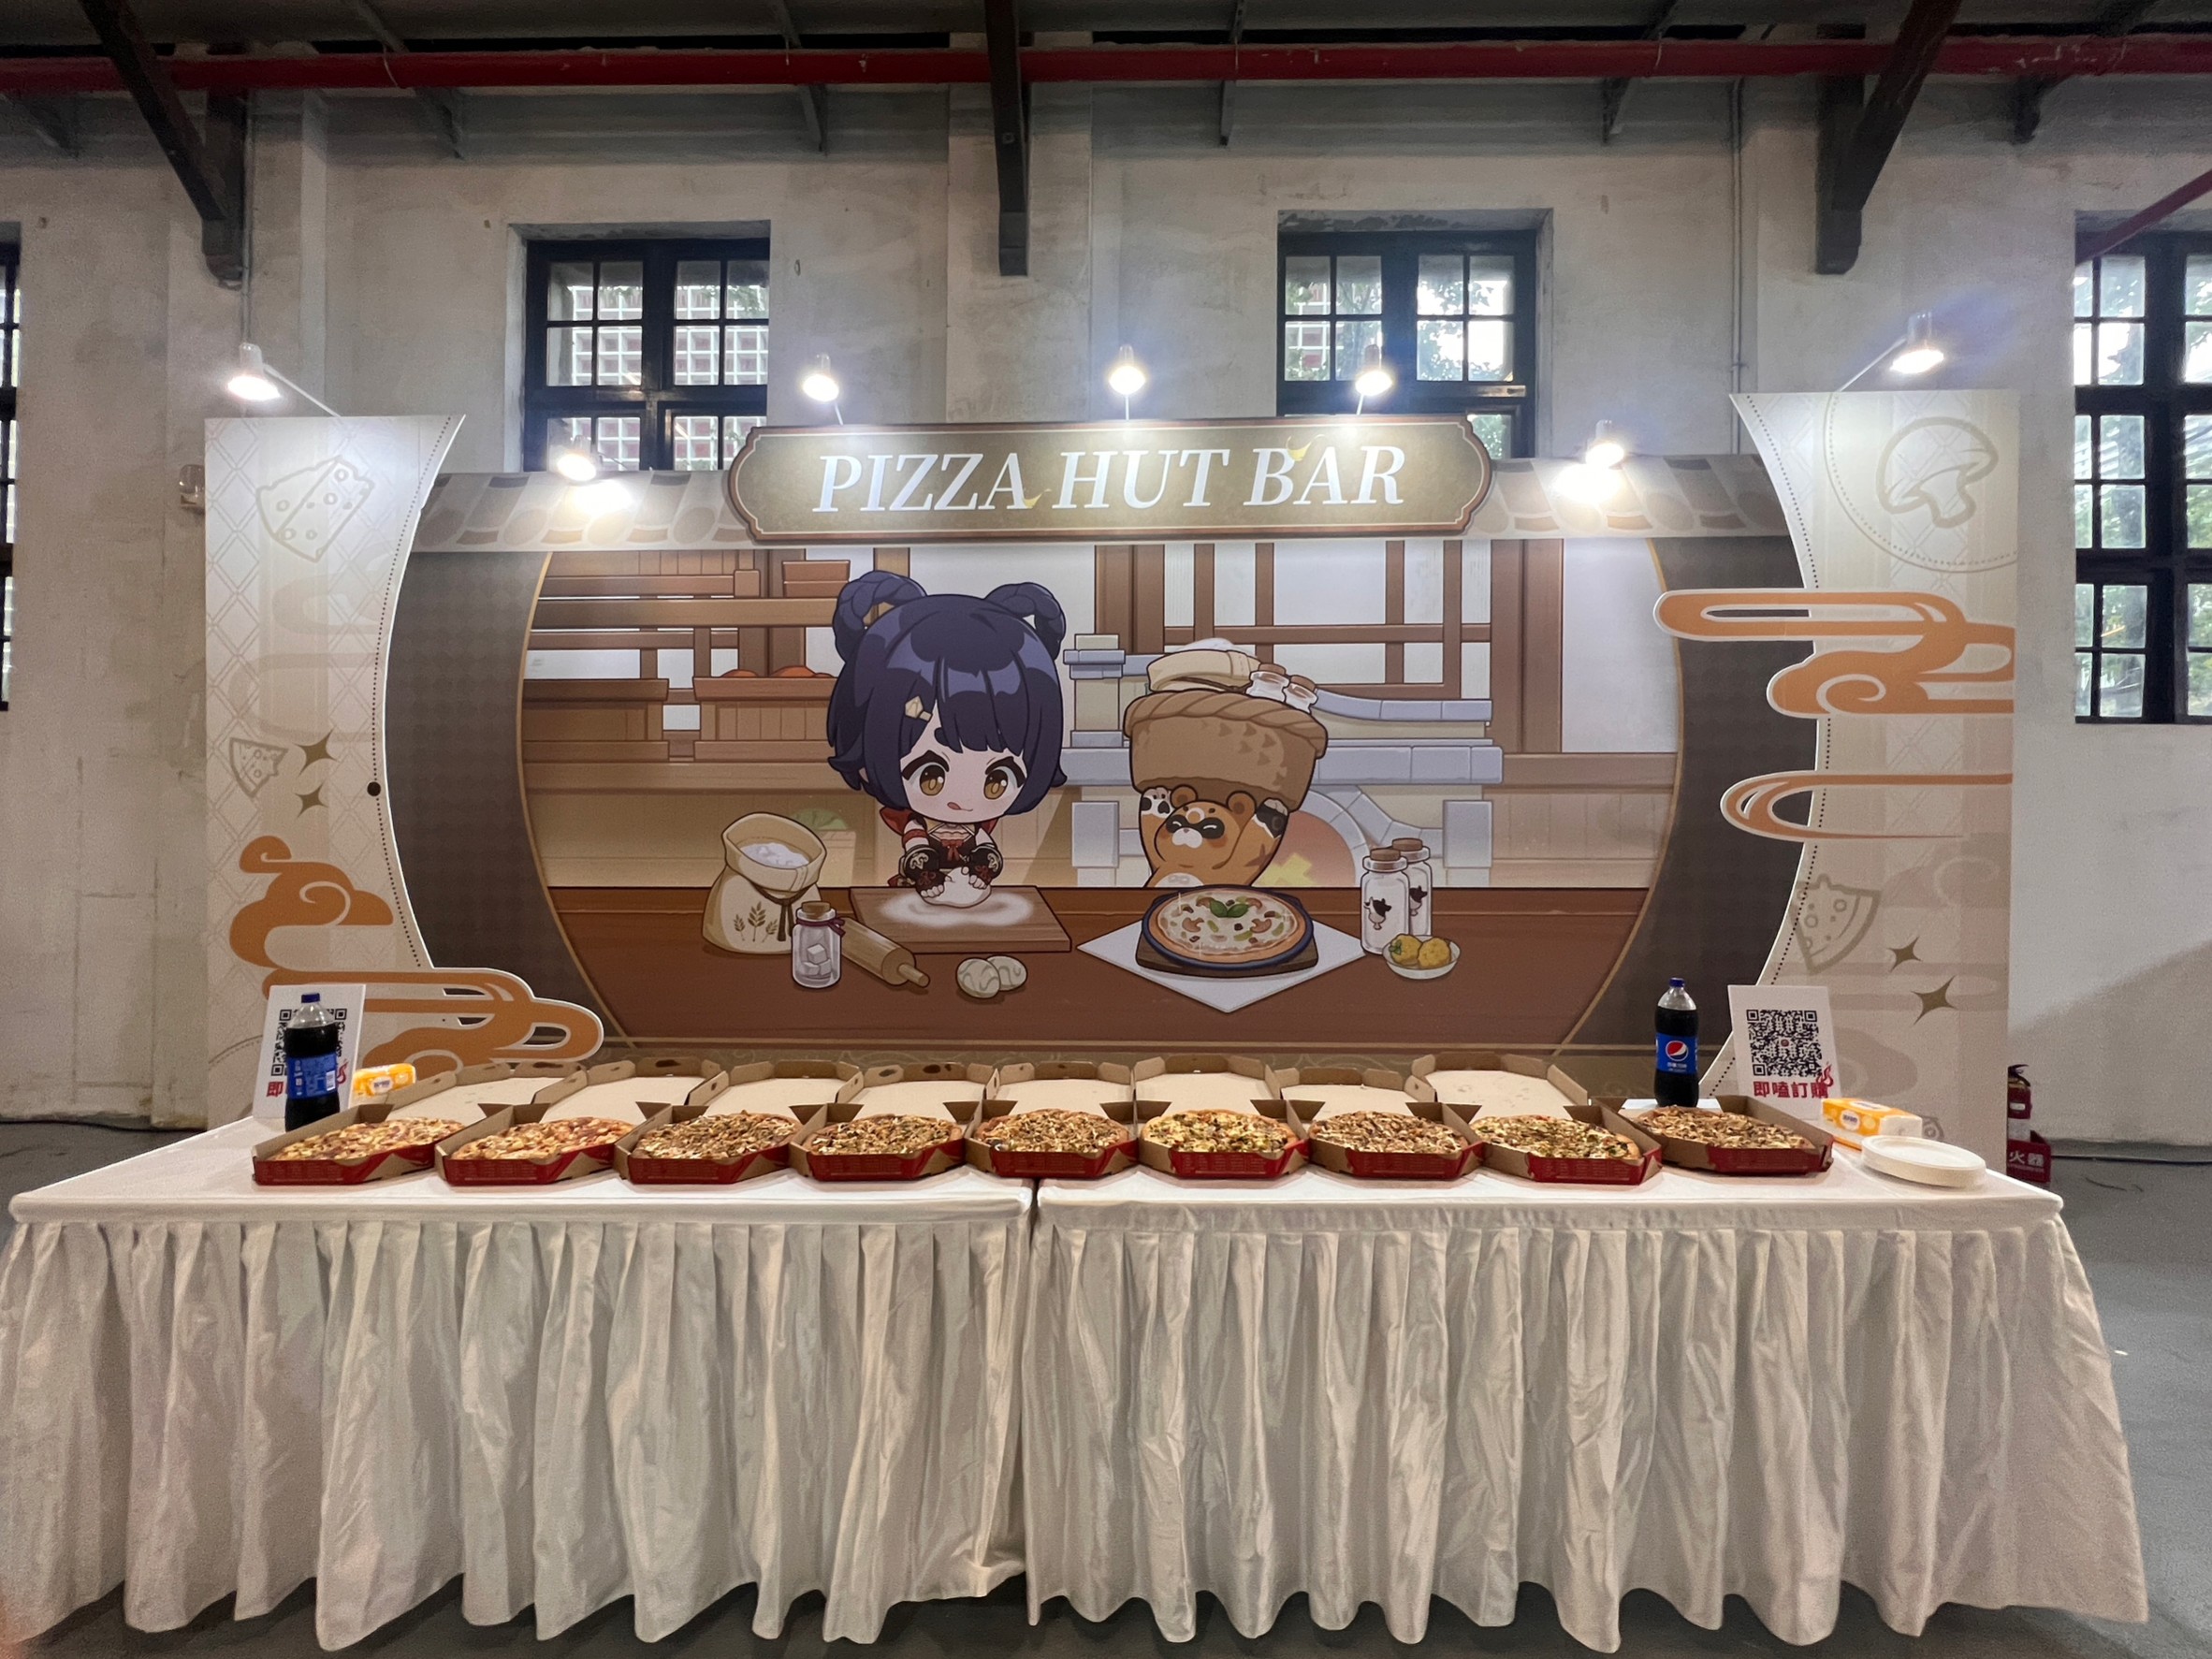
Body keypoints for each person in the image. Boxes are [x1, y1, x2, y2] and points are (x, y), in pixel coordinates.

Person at [826, 571, 1068, 908]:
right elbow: (916, 849)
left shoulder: (977, 829)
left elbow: (985, 851)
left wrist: (983, 867)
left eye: (997, 780)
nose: (963, 803)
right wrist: (925, 872)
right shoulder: (916, 824)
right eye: (931, 776)